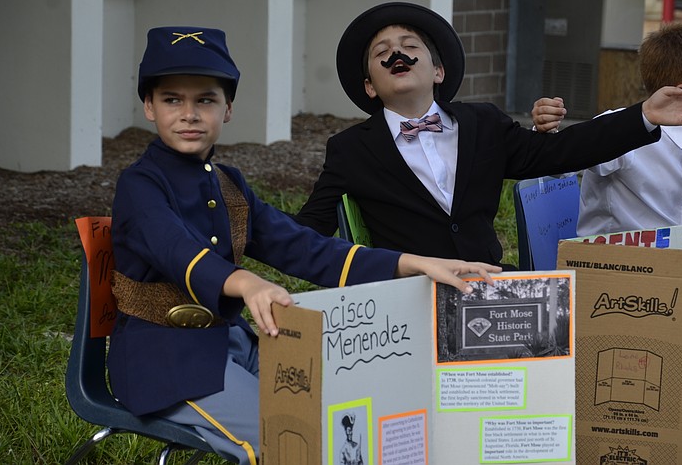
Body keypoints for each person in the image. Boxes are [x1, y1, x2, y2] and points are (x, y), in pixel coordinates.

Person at [107, 26, 500, 464]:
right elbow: (175, 250)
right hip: (164, 363)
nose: (190, 114)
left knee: (340, 423)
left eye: (206, 100)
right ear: (148, 106)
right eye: (172, 99)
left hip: (230, 345)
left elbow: (303, 247)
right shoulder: (139, 183)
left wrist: (417, 263)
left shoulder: (227, 183)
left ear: (228, 109)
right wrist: (248, 283)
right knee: (289, 441)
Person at [292, 2, 682, 267]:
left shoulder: (482, 124)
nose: (397, 54)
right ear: (370, 85)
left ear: (437, 71)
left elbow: (563, 151)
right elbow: (308, 229)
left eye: (410, 46)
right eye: (382, 54)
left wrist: (643, 114)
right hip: (410, 296)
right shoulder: (350, 150)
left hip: (490, 286)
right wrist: (241, 235)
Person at [532, 22, 682, 236]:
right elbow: (558, 166)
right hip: (616, 262)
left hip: (678, 258)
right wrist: (547, 132)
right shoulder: (623, 131)